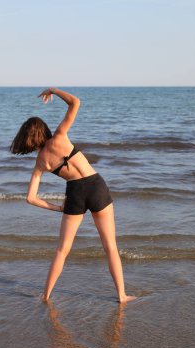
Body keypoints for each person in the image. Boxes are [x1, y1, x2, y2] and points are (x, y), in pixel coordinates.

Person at [10, 88, 136, 304]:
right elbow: (75, 102)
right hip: (96, 187)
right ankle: (121, 295)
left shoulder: (41, 162)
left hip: (74, 193)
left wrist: (58, 207)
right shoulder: (60, 136)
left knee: (62, 250)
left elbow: (30, 198)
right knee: (110, 247)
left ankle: (46, 295)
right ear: (44, 130)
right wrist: (53, 90)